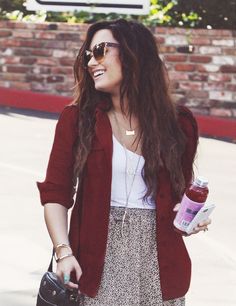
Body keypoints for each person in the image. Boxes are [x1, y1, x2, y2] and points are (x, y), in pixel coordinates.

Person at [37, 19, 211, 306]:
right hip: (98, 259)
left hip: (161, 262)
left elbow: (178, 196)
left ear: (133, 54)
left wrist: (191, 216)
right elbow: (55, 193)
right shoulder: (78, 119)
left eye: (101, 50)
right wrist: (63, 252)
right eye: (88, 55)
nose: (92, 61)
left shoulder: (179, 124)